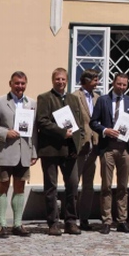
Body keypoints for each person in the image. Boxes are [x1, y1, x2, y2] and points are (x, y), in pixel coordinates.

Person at [0, 71, 38, 238]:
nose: (20, 86)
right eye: (17, 83)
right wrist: (5, 132)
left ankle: (17, 224)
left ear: (26, 84)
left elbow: (35, 130)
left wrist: (34, 151)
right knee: (4, 185)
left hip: (24, 152)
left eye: (22, 83)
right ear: (10, 83)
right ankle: (1, 225)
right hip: (5, 151)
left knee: (20, 187)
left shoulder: (32, 103)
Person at [90, 73, 129, 234]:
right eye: (119, 84)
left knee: (123, 187)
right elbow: (93, 122)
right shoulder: (103, 100)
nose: (121, 87)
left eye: (124, 85)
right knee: (106, 186)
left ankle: (122, 220)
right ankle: (106, 221)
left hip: (125, 149)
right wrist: (105, 130)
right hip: (108, 149)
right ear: (113, 83)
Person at [36, 68, 84, 236]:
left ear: (67, 80)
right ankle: (53, 223)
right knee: (51, 188)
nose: (60, 82)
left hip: (70, 150)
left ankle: (71, 221)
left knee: (72, 186)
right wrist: (62, 132)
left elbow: (79, 123)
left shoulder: (73, 99)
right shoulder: (44, 98)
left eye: (63, 79)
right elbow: (41, 121)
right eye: (57, 79)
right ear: (52, 80)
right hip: (50, 150)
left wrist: (78, 141)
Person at [72, 69, 100, 231]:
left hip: (94, 145)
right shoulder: (75, 97)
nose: (97, 83)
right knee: (74, 183)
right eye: (95, 80)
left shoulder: (97, 98)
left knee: (88, 185)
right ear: (87, 80)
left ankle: (84, 219)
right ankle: (71, 218)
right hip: (79, 146)